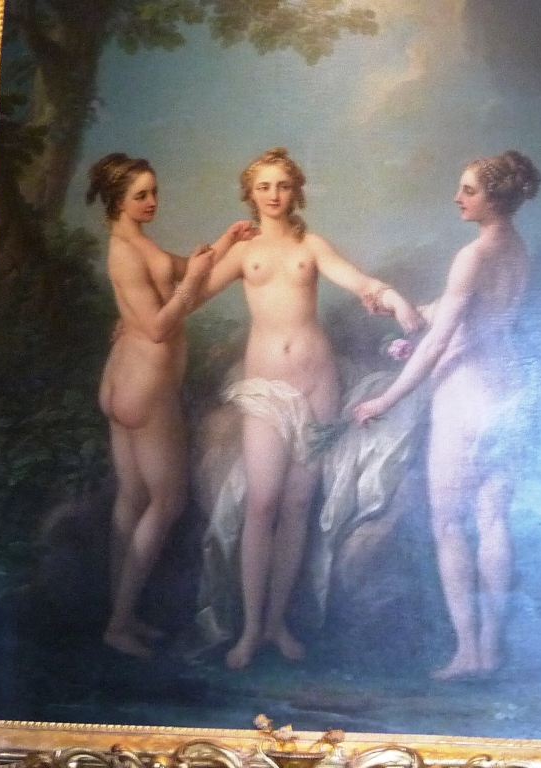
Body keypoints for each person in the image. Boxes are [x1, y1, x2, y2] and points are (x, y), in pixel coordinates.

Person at [198, 147, 423, 669]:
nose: (274, 195)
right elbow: (192, 294)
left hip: (318, 385)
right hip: (265, 388)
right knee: (261, 505)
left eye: (282, 185)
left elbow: (359, 281)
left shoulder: (311, 245)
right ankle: (249, 630)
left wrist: (393, 298)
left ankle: (276, 624)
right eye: (264, 187)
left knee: (298, 504)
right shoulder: (244, 251)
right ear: (250, 195)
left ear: (295, 191)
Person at [353, 150, 541, 680]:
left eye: (469, 190)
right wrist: (402, 310)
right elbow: (460, 316)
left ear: (494, 198)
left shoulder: (472, 254)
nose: (458, 198)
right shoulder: (516, 249)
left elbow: (438, 343)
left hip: (466, 394)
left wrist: (386, 400)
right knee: (494, 520)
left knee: (448, 523)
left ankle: (467, 652)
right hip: (508, 390)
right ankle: (491, 651)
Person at [86, 152, 251, 658]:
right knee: (167, 502)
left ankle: (122, 614)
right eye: (141, 195)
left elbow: (179, 271)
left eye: (154, 191)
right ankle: (118, 624)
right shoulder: (123, 252)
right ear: (118, 200)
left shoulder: (138, 241)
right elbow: (159, 327)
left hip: (126, 381)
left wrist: (223, 244)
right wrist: (195, 280)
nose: (152, 201)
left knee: (133, 498)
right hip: (144, 388)